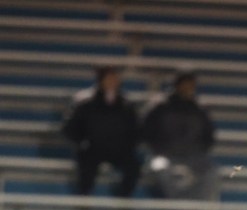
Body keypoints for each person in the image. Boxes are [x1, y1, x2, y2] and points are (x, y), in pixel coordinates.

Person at [62, 66, 141, 197]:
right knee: (86, 167)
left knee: (133, 166)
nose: (112, 82)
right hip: (92, 148)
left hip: (119, 150)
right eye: (108, 78)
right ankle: (84, 198)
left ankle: (123, 199)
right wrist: (82, 142)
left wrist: (128, 145)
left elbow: (135, 129)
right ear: (100, 80)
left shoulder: (126, 104)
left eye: (115, 78)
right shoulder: (85, 102)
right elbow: (70, 127)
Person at [141, 71, 218, 200]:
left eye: (191, 85)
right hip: (164, 155)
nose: (188, 89)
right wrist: (159, 149)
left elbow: (208, 136)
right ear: (177, 86)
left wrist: (197, 151)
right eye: (185, 85)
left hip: (193, 156)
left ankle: (197, 208)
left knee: (210, 172)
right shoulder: (160, 107)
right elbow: (147, 131)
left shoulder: (199, 109)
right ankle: (177, 205)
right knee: (160, 168)